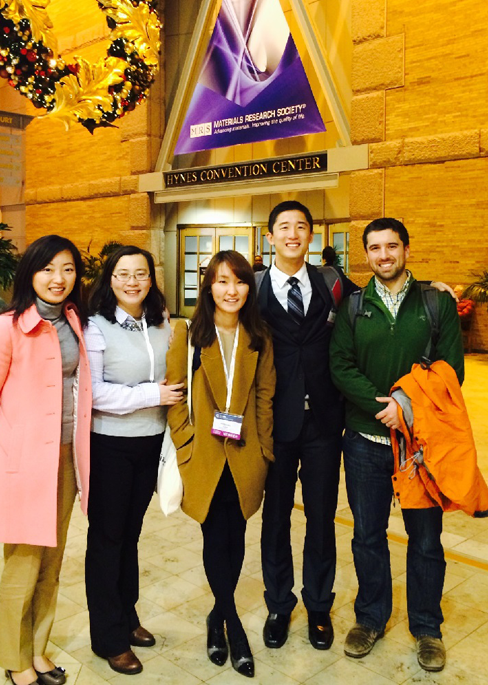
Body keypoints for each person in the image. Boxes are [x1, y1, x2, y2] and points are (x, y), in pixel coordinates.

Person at [329, 217, 464, 673]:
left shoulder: (435, 303)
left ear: (407, 249)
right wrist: (379, 405)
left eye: (391, 246)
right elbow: (341, 365)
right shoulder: (353, 306)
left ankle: (427, 627)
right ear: (364, 254)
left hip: (420, 445)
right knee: (367, 536)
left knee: (425, 540)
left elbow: (451, 370)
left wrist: (405, 405)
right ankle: (370, 618)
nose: (383, 255)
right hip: (366, 442)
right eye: (374, 248)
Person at [0, 235, 92, 685]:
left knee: (52, 563)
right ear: (30, 274)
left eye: (68, 269)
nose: (58, 279)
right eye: (48, 269)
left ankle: (38, 650)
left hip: (65, 458)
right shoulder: (4, 329)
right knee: (22, 565)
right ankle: (14, 658)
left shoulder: (76, 320)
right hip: (20, 462)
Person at [166, 250, 275, 678]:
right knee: (215, 536)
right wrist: (186, 443)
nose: (232, 291)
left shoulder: (259, 337)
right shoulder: (187, 334)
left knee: (237, 537)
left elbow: (264, 397)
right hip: (205, 454)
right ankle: (232, 625)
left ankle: (218, 616)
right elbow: (174, 394)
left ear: (250, 287)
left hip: (246, 451)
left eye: (240, 281)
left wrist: (265, 449)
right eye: (223, 281)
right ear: (208, 286)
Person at [256, 200, 357, 653]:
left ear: (312, 236)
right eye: (284, 227)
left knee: (321, 517)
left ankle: (318, 605)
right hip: (274, 422)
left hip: (323, 422)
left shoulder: (332, 282)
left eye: (301, 227)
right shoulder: (252, 285)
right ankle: (279, 604)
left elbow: (377, 295)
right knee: (275, 519)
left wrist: (431, 287)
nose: (292, 234)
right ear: (270, 236)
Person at [84, 245, 183, 676]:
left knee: (131, 534)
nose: (132, 282)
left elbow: (175, 375)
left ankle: (128, 617)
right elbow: (95, 393)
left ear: (151, 278)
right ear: (110, 279)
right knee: (107, 539)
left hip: (151, 444)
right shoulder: (96, 327)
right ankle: (108, 636)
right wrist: (153, 394)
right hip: (109, 445)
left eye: (140, 274)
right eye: (123, 274)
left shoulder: (162, 324)